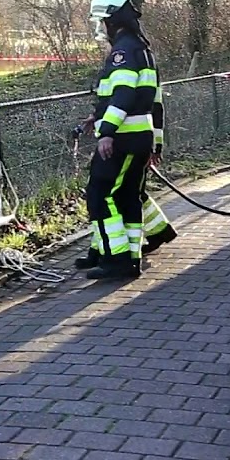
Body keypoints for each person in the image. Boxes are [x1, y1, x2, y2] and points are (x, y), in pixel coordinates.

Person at [73, 17, 177, 272]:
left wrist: (106, 131)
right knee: (125, 197)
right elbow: (151, 105)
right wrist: (97, 118)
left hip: (124, 138)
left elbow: (124, 95)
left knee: (102, 196)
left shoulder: (124, 52)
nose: (100, 31)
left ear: (111, 22)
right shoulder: (141, 52)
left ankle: (117, 259)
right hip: (137, 137)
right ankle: (123, 255)